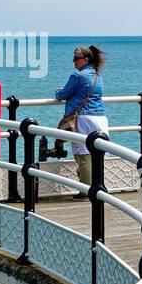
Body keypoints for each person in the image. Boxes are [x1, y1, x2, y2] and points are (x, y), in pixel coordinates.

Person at [54, 45, 108, 196]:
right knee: (96, 155)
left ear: (85, 59)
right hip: (100, 118)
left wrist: (57, 91)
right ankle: (98, 187)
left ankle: (86, 192)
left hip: (83, 119)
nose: (74, 62)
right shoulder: (98, 76)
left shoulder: (78, 76)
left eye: (76, 58)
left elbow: (62, 95)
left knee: (83, 155)